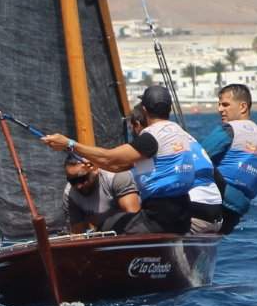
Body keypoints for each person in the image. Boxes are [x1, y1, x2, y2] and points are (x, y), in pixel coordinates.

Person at [41, 85, 224, 235]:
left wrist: (69, 144)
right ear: (169, 109)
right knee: (118, 221)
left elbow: (109, 157)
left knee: (106, 226)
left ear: (144, 110)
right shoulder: (179, 133)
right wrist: (95, 163)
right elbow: (118, 165)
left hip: (161, 218)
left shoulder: (151, 138)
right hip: (181, 214)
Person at [197, 83, 257, 234]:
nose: (220, 109)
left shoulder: (229, 130)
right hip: (236, 213)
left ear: (243, 107)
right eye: (219, 105)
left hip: (213, 203)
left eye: (225, 104)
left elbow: (196, 157)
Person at [63, 157, 140, 233]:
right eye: (72, 181)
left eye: (82, 179)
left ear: (95, 169)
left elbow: (135, 220)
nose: (78, 186)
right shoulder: (69, 194)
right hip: (101, 234)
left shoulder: (117, 177)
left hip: (127, 229)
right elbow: (77, 232)